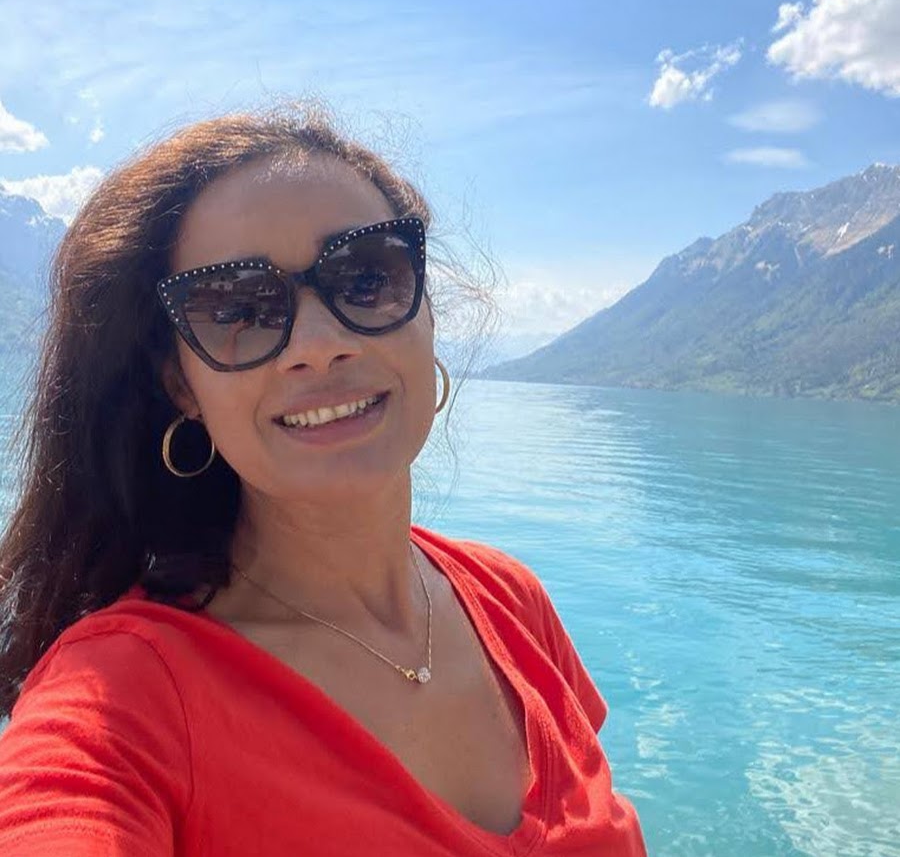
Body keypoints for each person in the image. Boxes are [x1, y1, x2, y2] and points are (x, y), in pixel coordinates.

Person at [0, 106, 646, 856]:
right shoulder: (123, 700)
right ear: (181, 383)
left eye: (367, 277)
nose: (318, 344)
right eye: (236, 308)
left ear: (425, 312)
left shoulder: (512, 602)